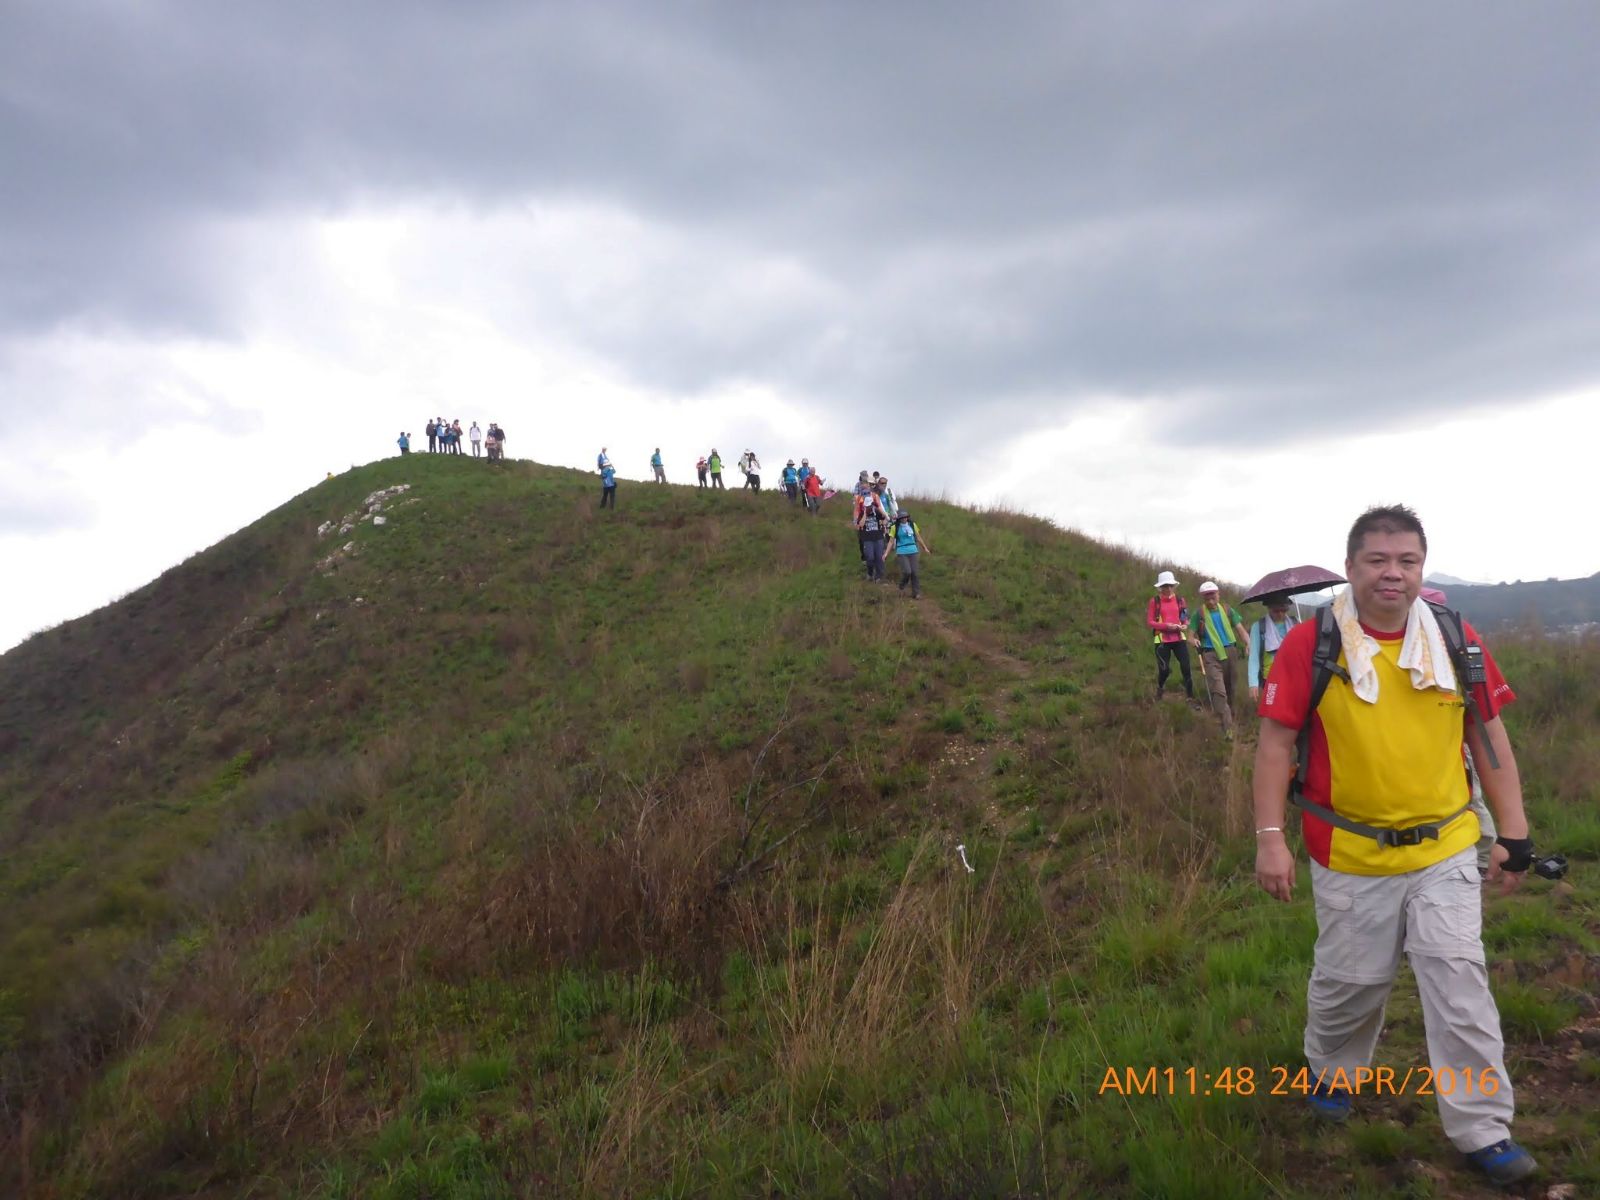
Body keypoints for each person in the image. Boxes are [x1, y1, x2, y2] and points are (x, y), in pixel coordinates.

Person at [1253, 505, 1538, 1187]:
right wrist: (1270, 840)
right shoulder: (1312, 644)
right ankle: (1332, 1071)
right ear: (1351, 567)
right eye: (1378, 560)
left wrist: (1515, 833)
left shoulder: (1454, 638)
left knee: (1459, 987)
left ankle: (1483, 1128)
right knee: (1351, 985)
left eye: (1407, 561)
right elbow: (1274, 745)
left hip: (1445, 847)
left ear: (1421, 568)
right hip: (1350, 851)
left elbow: (1488, 738)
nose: (1393, 573)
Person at [1192, 581, 1250, 734]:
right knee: (1219, 690)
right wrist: (1193, 640)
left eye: (1213, 597)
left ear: (1218, 594)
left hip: (1230, 652)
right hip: (1210, 654)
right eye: (1207, 598)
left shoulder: (1227, 610)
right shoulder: (1199, 614)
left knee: (1231, 687)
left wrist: (1248, 642)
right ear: (1203, 598)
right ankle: (1227, 727)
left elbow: (1240, 628)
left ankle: (1231, 714)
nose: (1211, 601)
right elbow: (1190, 635)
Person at [1146, 571, 1196, 701]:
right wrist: (1166, 626)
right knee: (1164, 669)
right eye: (1165, 586)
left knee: (1186, 667)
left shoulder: (1180, 600)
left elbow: (1185, 618)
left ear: (1174, 586)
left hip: (1179, 638)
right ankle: (1160, 688)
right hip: (1161, 640)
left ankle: (1190, 696)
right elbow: (1150, 622)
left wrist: (1184, 625)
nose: (1168, 588)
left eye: (1170, 585)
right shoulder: (1155, 601)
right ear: (1160, 587)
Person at [1248, 593, 1298, 702]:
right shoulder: (1258, 627)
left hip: (1293, 677)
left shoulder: (1295, 624)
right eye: (1276, 611)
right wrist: (1253, 683)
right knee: (1270, 705)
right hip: (1270, 679)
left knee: (1292, 707)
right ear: (1269, 608)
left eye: (1283, 610)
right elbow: (1254, 656)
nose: (1280, 614)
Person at [888, 511, 930, 598]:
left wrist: (925, 548)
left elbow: (918, 537)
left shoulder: (912, 525)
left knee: (915, 572)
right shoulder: (894, 527)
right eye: (902, 518)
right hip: (902, 551)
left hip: (913, 550)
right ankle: (902, 585)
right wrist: (885, 554)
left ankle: (916, 593)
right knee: (907, 571)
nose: (904, 519)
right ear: (899, 519)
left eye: (905, 517)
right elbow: (891, 541)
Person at [855, 487, 889, 582]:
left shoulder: (876, 512)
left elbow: (886, 518)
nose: (869, 507)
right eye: (867, 505)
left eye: (870, 505)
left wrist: (883, 521)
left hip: (878, 537)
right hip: (867, 538)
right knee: (869, 557)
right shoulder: (862, 513)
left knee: (879, 557)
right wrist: (865, 513)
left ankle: (879, 576)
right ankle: (870, 573)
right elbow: (860, 524)